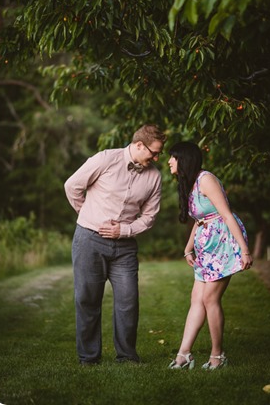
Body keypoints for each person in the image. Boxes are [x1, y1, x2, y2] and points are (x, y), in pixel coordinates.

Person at [64, 124, 167, 366]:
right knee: (87, 299)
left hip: (125, 248)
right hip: (89, 240)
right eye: (154, 152)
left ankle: (127, 356)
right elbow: (72, 186)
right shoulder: (105, 159)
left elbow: (149, 217)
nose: (157, 157)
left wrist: (124, 230)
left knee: (128, 301)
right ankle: (89, 357)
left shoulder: (154, 176)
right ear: (139, 145)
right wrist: (89, 215)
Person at [167, 142, 253, 370]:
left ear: (184, 159)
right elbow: (199, 220)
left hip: (224, 242)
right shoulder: (190, 183)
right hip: (206, 245)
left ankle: (218, 355)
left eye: (172, 157)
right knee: (196, 299)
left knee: (209, 299)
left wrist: (244, 250)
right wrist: (188, 248)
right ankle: (184, 354)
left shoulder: (206, 180)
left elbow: (225, 215)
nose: (169, 161)